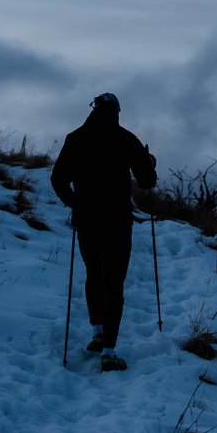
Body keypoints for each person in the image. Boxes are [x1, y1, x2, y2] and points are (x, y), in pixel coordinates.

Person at [50, 92, 158, 372]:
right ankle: (109, 350)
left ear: (93, 109)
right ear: (117, 112)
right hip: (117, 219)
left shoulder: (75, 138)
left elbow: (58, 178)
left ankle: (97, 333)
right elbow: (147, 181)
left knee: (94, 274)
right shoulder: (125, 138)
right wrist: (148, 162)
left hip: (86, 218)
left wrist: (75, 202)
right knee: (114, 282)